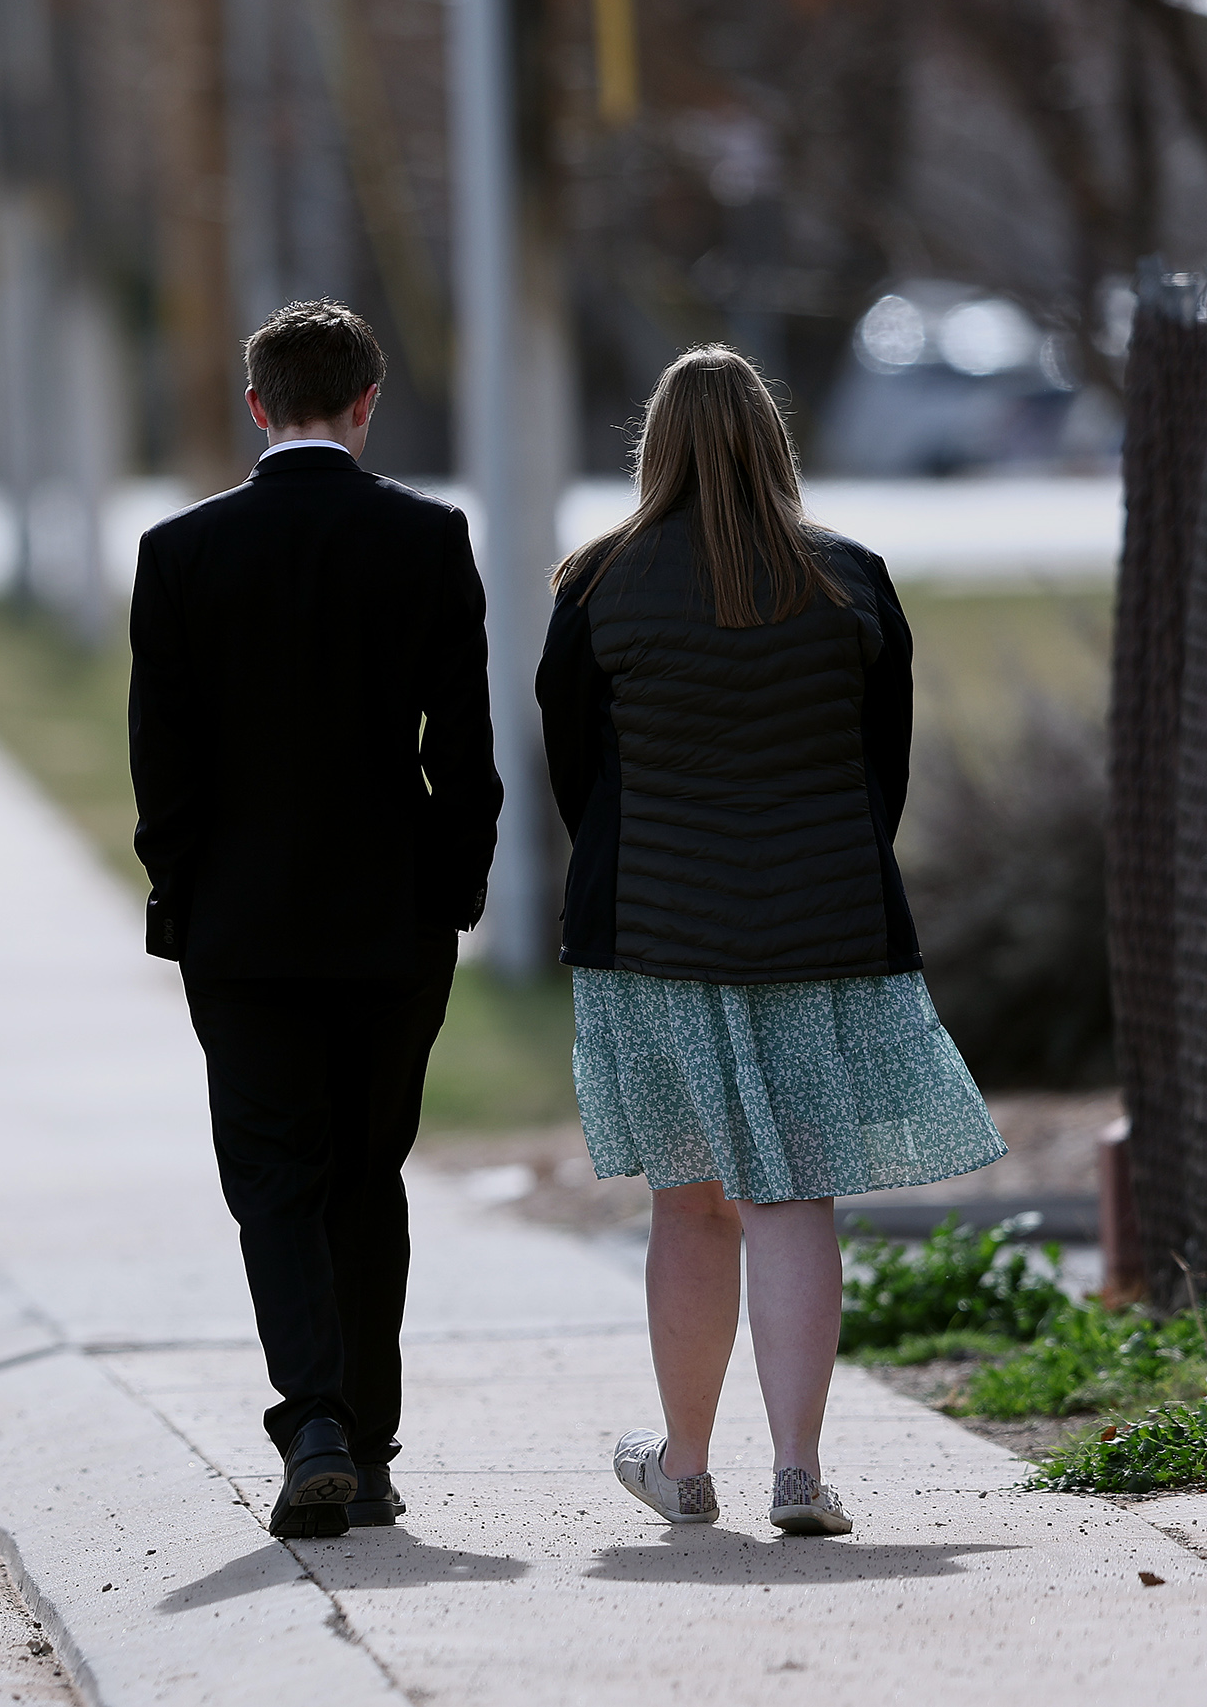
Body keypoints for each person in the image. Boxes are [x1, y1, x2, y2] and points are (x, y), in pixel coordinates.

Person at [541, 346, 1002, 1538]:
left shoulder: (597, 583)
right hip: (819, 928)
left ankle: (685, 1466)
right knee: (795, 1194)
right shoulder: (849, 579)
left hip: (653, 931)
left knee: (688, 1202)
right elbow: (880, 768)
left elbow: (577, 773)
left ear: (658, 445)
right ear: (773, 440)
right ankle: (798, 1472)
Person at [126, 299, 500, 1540]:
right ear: (366, 402)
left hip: (242, 924)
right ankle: (370, 1445)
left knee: (275, 1178)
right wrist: (456, 887)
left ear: (255, 406)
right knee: (366, 1175)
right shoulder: (429, 537)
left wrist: (180, 892)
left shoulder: (181, 553)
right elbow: (468, 750)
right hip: (391, 916)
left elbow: (161, 762)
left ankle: (316, 1416)